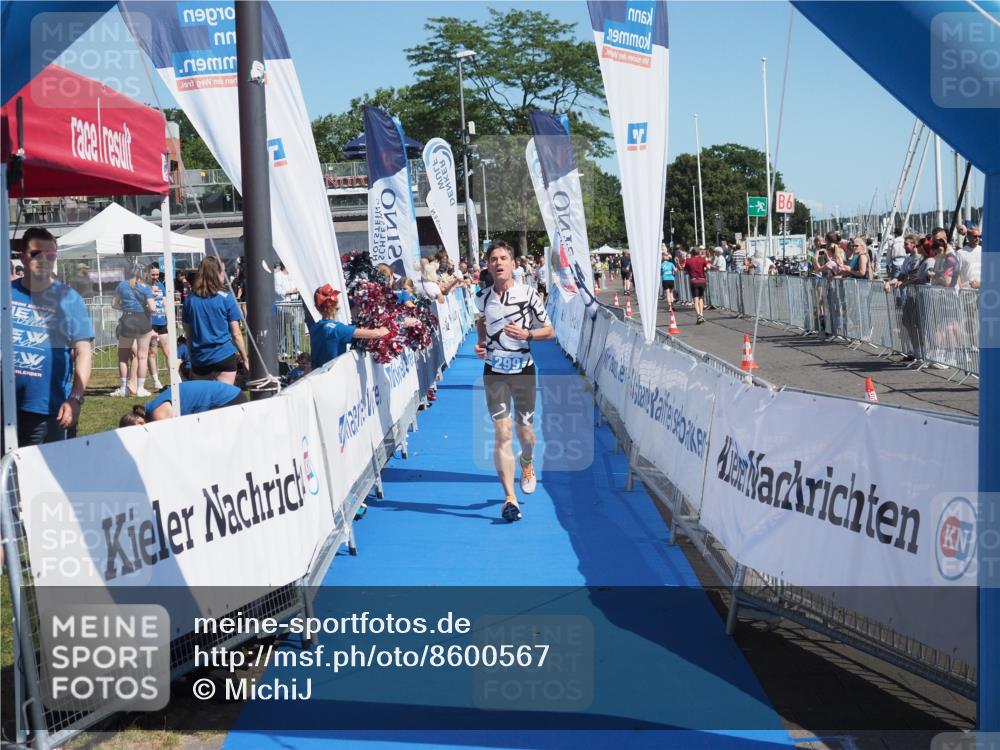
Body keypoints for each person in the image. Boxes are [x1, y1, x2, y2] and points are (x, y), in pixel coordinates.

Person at [474, 241, 555, 523]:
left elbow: (550, 331)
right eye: (493, 259)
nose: (498, 263)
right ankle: (510, 498)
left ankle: (528, 461)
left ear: (513, 264)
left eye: (504, 258)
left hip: (523, 371)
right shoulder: (482, 297)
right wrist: (481, 343)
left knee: (525, 433)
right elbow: (481, 322)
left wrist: (528, 335)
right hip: (494, 371)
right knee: (502, 432)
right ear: (487, 264)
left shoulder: (528, 294)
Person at [11, 228, 95, 446]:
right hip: (6, 404)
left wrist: (75, 398)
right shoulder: (6, 292)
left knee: (40, 475)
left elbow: (84, 352)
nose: (44, 260)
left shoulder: (69, 298)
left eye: (50, 256)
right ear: (22, 256)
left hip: (47, 408)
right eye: (36, 254)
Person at [182, 255, 249, 385]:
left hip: (200, 359)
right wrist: (245, 358)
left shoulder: (189, 300)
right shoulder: (227, 298)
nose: (224, 275)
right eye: (222, 271)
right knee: (225, 400)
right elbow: (236, 333)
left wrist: (191, 360)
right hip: (224, 356)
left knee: (204, 402)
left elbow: (189, 335)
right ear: (217, 273)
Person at [309, 284, 390, 370]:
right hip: (334, 378)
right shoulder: (338, 329)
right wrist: (388, 327)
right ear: (336, 304)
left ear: (317, 307)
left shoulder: (314, 328)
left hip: (317, 377)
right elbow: (377, 334)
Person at [110, 261, 156, 397]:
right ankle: (140, 389)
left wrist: (126, 308)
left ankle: (123, 388)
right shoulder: (146, 287)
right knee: (142, 356)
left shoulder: (121, 286)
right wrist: (145, 309)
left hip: (127, 320)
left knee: (123, 357)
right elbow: (153, 308)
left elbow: (114, 304)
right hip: (142, 321)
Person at [119, 380, 246, 425]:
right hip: (229, 395)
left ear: (140, 422)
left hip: (229, 400)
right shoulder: (150, 408)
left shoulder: (159, 415)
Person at [146, 264, 170, 392]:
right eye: (153, 274)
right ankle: (156, 380)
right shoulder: (144, 286)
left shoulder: (161, 285)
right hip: (150, 322)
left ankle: (175, 378)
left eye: (157, 274)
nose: (155, 277)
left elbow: (165, 302)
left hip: (162, 322)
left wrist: (169, 319)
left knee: (168, 352)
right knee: (152, 352)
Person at [684, 246, 710, 323]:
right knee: (701, 298)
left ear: (692, 253)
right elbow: (708, 267)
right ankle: (702, 315)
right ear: (699, 253)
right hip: (702, 280)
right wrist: (704, 269)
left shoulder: (688, 261)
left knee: (695, 299)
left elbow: (686, 271)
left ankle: (698, 315)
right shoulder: (702, 260)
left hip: (694, 281)